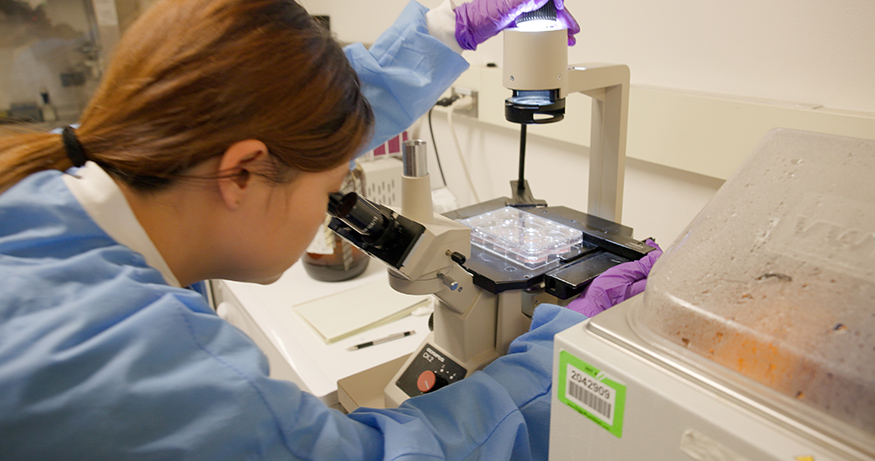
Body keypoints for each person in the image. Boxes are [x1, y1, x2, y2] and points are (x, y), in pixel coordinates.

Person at [0, 0, 653, 459]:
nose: (329, 210)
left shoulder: (40, 204)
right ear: (243, 174)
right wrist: (565, 352)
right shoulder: (124, 354)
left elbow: (289, 122)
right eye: (331, 186)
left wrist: (442, 31)